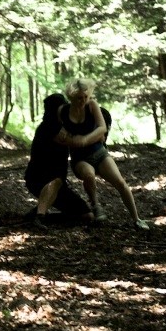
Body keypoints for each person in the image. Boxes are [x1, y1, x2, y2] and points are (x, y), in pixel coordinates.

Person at [59, 78, 149, 230]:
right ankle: (96, 205)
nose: (83, 101)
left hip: (99, 152)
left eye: (85, 97)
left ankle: (137, 219)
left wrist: (84, 139)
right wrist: (67, 137)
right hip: (80, 158)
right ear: (71, 97)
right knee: (88, 175)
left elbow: (102, 128)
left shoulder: (92, 106)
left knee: (120, 182)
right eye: (79, 98)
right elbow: (57, 131)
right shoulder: (63, 111)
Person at [24, 93, 101, 229]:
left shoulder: (63, 125)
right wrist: (95, 135)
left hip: (59, 185)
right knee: (56, 181)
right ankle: (39, 217)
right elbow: (75, 142)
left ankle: (38, 214)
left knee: (87, 216)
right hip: (37, 180)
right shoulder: (48, 127)